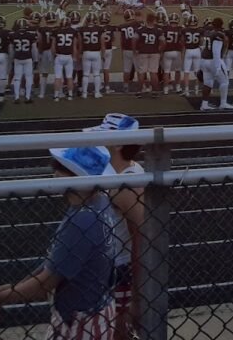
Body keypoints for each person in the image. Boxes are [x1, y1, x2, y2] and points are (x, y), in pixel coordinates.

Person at [0, 145, 117, 339]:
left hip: (80, 321)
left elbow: (47, 281)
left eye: (60, 168)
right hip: (94, 310)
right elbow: (55, 263)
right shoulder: (98, 203)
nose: (55, 174)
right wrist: (8, 289)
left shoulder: (81, 220)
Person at [86, 114, 145, 339]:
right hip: (109, 268)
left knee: (116, 333)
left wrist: (138, 298)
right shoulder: (120, 173)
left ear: (119, 144)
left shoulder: (125, 184)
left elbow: (143, 238)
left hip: (118, 272)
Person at [200, 17, 233, 110]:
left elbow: (204, 47)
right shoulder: (218, 34)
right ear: (221, 25)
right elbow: (216, 50)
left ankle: (204, 104)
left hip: (204, 60)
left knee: (208, 83)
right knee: (225, 81)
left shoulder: (208, 32)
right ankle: (223, 103)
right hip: (213, 60)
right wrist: (218, 65)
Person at [133, 10, 164, 98]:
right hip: (154, 52)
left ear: (146, 20)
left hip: (143, 52)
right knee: (153, 73)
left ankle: (139, 91)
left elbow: (134, 39)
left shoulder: (140, 30)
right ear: (154, 20)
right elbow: (163, 42)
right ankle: (155, 91)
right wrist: (160, 50)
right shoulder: (158, 30)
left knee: (142, 72)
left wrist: (135, 49)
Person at [52, 14, 80, 101]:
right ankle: (70, 95)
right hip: (68, 57)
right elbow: (74, 46)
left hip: (59, 56)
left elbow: (53, 46)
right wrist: (75, 57)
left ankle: (56, 96)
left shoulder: (56, 31)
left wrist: (54, 55)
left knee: (57, 77)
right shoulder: (73, 31)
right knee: (69, 77)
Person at [11, 17, 38, 104]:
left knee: (17, 78)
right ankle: (27, 97)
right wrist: (36, 59)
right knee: (29, 77)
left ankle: (16, 97)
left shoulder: (13, 35)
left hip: (17, 58)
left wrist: (12, 59)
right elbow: (34, 49)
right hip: (27, 58)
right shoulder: (31, 35)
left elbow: (11, 49)